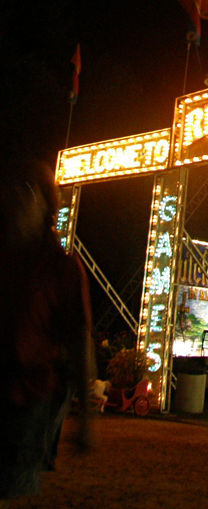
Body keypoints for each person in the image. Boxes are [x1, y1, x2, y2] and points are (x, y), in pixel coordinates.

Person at [0, 157, 94, 502]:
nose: (14, 197)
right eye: (10, 188)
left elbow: (80, 343)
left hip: (26, 399)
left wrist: (86, 419)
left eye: (27, 190)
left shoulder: (62, 268)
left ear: (46, 203)